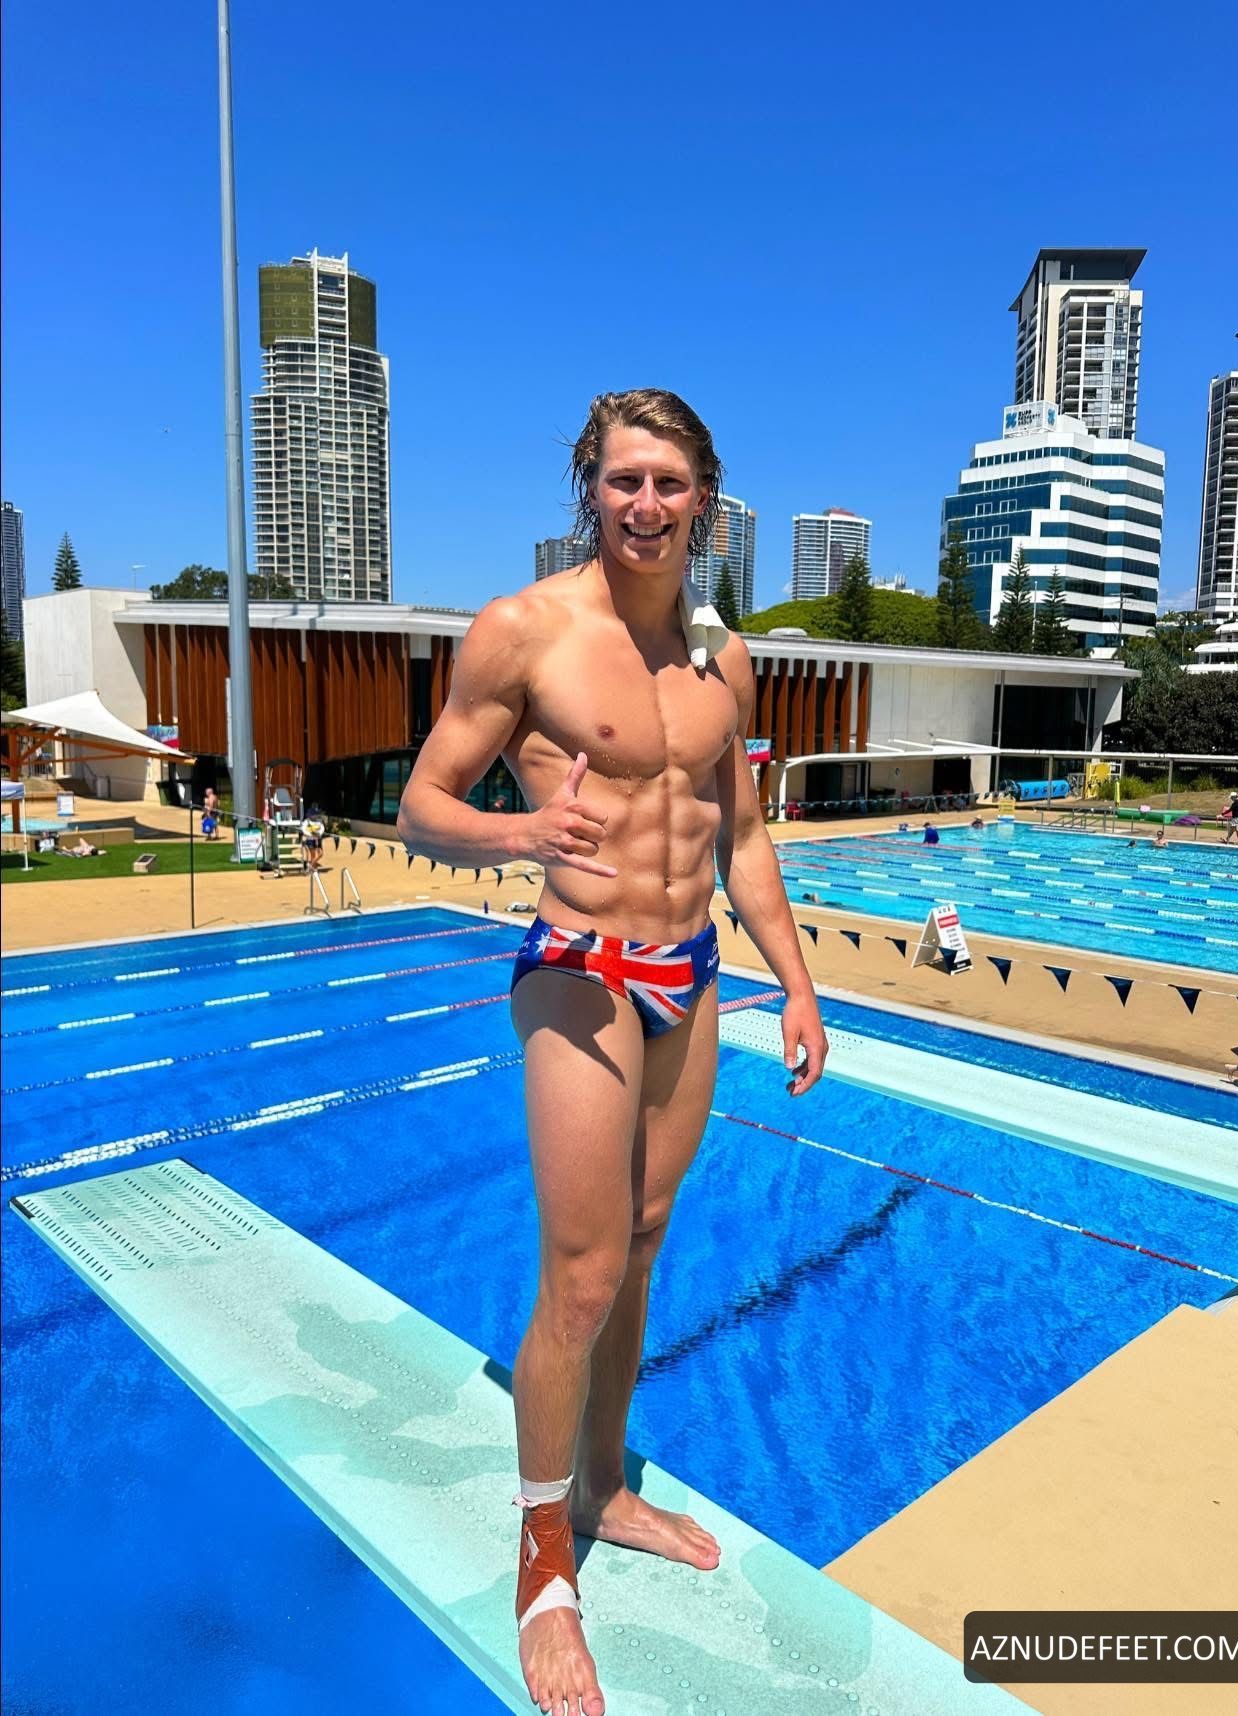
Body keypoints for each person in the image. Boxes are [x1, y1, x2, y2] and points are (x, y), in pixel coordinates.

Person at [397, 389, 827, 1716]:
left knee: (642, 1244)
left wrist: (797, 984)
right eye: (624, 480)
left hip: (691, 975)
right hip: (580, 968)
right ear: (590, 485)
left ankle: (602, 1486)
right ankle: (544, 1566)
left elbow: (739, 834)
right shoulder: (524, 631)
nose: (646, 505)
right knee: (580, 1278)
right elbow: (420, 806)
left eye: (670, 484)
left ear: (706, 500)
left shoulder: (724, 660)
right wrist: (518, 836)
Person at [300, 805, 326, 872]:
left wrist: (319, 833)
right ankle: (313, 868)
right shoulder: (306, 821)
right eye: (314, 814)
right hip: (310, 839)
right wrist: (311, 834)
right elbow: (303, 830)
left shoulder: (319, 821)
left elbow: (322, 828)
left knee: (320, 853)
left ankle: (310, 865)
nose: (315, 816)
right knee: (313, 854)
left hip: (318, 839)